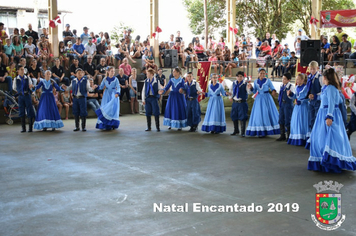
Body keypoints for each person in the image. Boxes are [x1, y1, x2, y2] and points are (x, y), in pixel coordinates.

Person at [307, 68, 356, 173]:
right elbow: (324, 98)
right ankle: (322, 161)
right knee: (320, 138)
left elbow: (332, 104)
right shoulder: (327, 88)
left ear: (325, 77)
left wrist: (329, 116)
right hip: (322, 114)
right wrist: (314, 96)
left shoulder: (331, 88)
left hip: (328, 114)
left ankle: (329, 163)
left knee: (330, 138)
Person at [246, 68, 280, 137]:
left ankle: (266, 130)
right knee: (259, 114)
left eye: (263, 73)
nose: (262, 74)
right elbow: (255, 91)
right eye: (261, 73)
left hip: (266, 98)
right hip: (259, 99)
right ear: (258, 74)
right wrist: (251, 88)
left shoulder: (268, 81)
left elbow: (272, 87)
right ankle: (260, 131)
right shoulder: (255, 81)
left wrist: (273, 91)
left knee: (266, 113)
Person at [298, 61, 323, 137]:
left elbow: (323, 91)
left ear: (317, 68)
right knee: (311, 119)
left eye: (314, 69)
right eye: (311, 69)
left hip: (318, 101)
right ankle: (312, 135)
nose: (312, 70)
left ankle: (318, 136)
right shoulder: (309, 77)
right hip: (310, 101)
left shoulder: (320, 77)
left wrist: (315, 96)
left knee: (317, 118)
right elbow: (306, 90)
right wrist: (305, 96)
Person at [287, 73, 309, 146]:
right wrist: (290, 95)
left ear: (302, 80)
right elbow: (295, 96)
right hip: (297, 107)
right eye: (296, 79)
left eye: (298, 79)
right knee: (296, 121)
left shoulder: (306, 88)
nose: (297, 81)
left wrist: (301, 101)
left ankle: (304, 138)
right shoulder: (296, 87)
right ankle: (296, 138)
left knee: (303, 121)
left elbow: (308, 98)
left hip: (304, 107)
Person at [12, 65, 35, 133]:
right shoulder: (16, 79)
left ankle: (30, 127)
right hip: (21, 96)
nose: (22, 71)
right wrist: (19, 92)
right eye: (21, 69)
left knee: (29, 110)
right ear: (18, 71)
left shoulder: (27, 78)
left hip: (27, 95)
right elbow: (14, 88)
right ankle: (23, 128)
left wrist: (31, 87)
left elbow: (31, 86)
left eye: (23, 69)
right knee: (22, 111)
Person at [229, 71, 249, 137]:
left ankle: (243, 132)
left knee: (243, 117)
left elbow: (249, 92)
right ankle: (236, 130)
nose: (239, 78)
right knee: (234, 116)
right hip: (235, 102)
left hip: (242, 102)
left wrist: (250, 88)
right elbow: (231, 91)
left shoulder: (245, 84)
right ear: (236, 77)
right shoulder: (234, 83)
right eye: (238, 76)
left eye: (241, 76)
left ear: (243, 77)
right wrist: (230, 97)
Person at [276, 73, 295, 141]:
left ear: (289, 80)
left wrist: (290, 93)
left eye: (284, 79)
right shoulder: (281, 85)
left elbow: (293, 96)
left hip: (288, 104)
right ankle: (282, 135)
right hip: (282, 104)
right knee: (281, 119)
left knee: (288, 119)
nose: (283, 80)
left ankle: (289, 135)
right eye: (282, 78)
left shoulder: (291, 86)